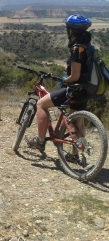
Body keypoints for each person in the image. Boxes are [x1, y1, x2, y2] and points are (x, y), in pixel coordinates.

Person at [27, 14, 92, 162]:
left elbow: (75, 76)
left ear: (72, 31)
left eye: (68, 29)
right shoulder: (88, 47)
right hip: (86, 90)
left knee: (41, 104)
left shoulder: (77, 49)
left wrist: (64, 81)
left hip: (74, 89)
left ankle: (40, 140)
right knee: (79, 121)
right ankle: (75, 154)